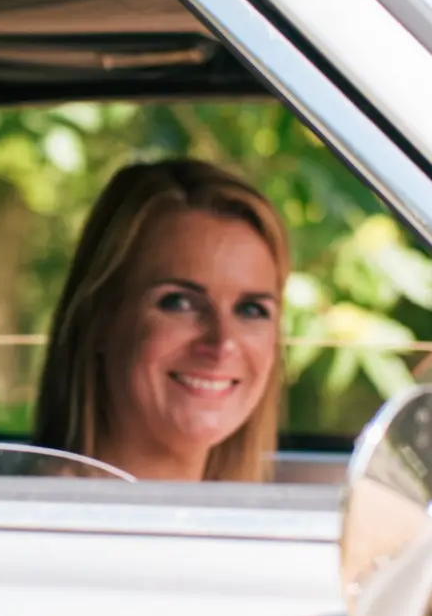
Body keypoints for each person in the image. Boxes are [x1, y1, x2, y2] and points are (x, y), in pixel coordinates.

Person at [35, 159, 289, 482]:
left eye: (251, 310)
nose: (223, 343)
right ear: (99, 319)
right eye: (179, 303)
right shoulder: (41, 509)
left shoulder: (245, 507)